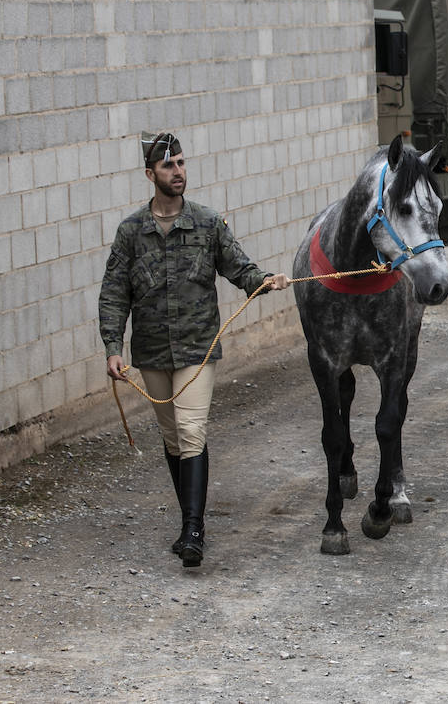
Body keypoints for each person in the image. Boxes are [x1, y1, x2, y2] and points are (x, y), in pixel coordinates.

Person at [98, 131, 290, 569]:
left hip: (197, 349)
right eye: (168, 166)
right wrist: (113, 346)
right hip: (151, 351)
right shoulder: (131, 232)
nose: (178, 171)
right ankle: (188, 521)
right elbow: (114, 293)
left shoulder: (207, 223)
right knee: (171, 438)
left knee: (190, 432)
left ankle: (193, 530)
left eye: (181, 163)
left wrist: (265, 280)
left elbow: (239, 268)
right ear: (151, 174)